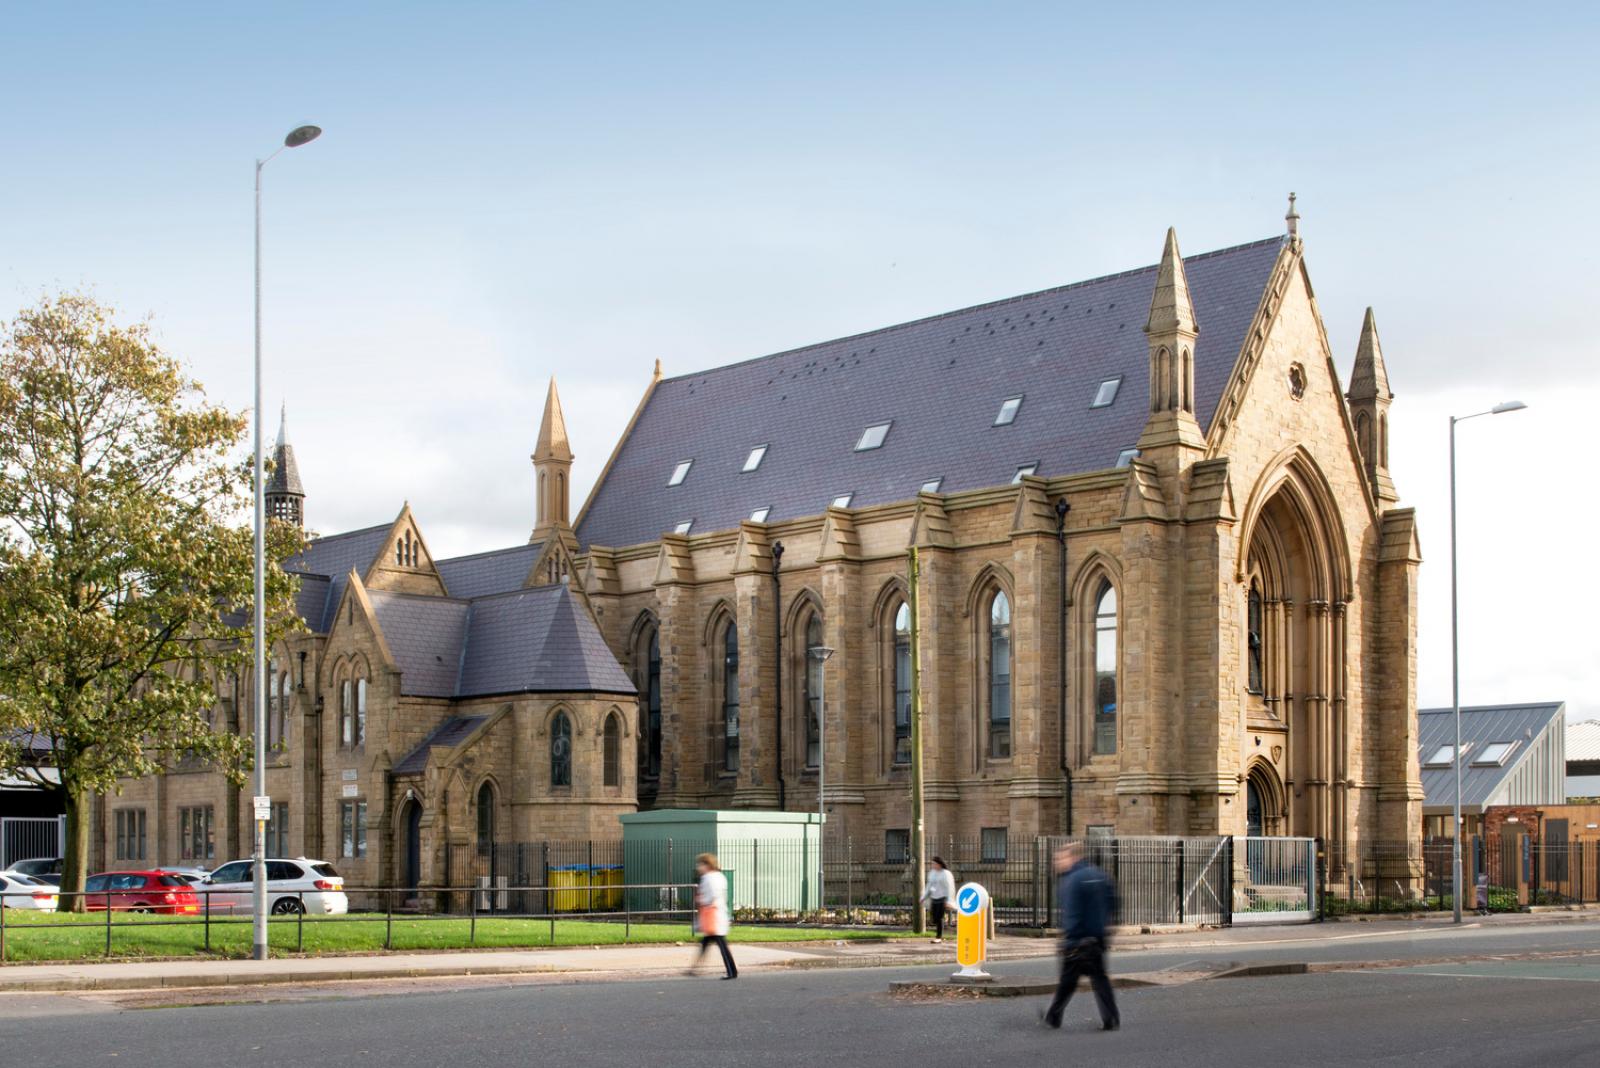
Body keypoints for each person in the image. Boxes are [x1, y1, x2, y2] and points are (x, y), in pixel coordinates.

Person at [1041, 841, 1119, 1032]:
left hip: (1077, 941)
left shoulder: (1072, 880)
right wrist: (1107, 928)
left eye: (1060, 858)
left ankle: (1053, 1016)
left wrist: (1068, 939)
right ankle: (1111, 1018)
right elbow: (1114, 903)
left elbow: (1072, 913)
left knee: (1067, 982)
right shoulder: (1100, 875)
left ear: (1073, 857)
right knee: (1100, 979)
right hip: (1097, 938)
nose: (1057, 862)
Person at [688, 852, 737, 980]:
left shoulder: (709, 878)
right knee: (706, 942)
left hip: (713, 915)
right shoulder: (720, 876)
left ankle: (732, 972)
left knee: (721, 944)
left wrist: (702, 900)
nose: (699, 867)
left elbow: (712, 895)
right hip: (717, 914)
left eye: (700, 864)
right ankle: (694, 968)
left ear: (707, 865)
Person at [921, 856, 956, 943]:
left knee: (939, 917)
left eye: (934, 864)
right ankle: (938, 935)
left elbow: (949, 887)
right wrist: (923, 897)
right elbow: (929, 886)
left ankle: (938, 937)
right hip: (934, 897)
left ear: (939, 864)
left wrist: (948, 901)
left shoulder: (946, 873)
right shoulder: (932, 873)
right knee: (934, 918)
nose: (933, 865)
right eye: (932, 864)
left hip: (943, 898)